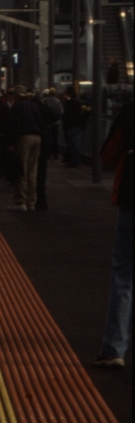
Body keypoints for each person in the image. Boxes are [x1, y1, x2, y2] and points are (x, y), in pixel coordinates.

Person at [91, 101, 132, 368]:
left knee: (124, 276)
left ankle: (115, 349)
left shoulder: (130, 111)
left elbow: (107, 155)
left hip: (132, 200)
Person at [6, 85, 43, 211]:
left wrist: (10, 143)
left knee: (21, 171)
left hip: (23, 139)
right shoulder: (33, 105)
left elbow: (13, 126)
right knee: (32, 172)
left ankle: (20, 202)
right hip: (37, 138)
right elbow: (41, 122)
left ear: (16, 96)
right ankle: (31, 202)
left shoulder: (17, 107)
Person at [61, 88, 84, 167]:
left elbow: (67, 114)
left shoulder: (70, 103)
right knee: (75, 143)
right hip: (76, 125)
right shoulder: (77, 102)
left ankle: (74, 161)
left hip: (71, 125)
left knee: (73, 144)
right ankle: (75, 160)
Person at [42, 87, 63, 159]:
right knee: (55, 138)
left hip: (47, 122)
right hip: (56, 122)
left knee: (48, 138)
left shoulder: (45, 100)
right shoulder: (58, 101)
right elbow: (61, 111)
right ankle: (55, 154)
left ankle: (48, 152)